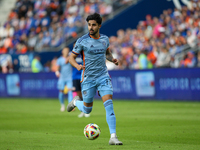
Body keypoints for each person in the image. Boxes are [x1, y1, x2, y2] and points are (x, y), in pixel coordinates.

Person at [67, 13, 123, 145]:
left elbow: (107, 53)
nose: (90, 27)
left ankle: (113, 137)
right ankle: (76, 102)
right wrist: (77, 66)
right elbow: (71, 58)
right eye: (89, 25)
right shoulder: (82, 41)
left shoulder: (105, 39)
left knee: (109, 105)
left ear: (99, 26)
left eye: (93, 25)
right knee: (87, 109)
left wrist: (112, 59)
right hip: (88, 78)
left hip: (103, 76)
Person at [72, 41, 90, 118]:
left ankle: (87, 110)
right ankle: (82, 111)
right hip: (75, 77)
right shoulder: (72, 55)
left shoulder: (84, 54)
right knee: (79, 94)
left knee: (85, 93)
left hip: (83, 76)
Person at [55, 47, 73, 112]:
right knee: (61, 93)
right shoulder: (59, 59)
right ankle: (62, 105)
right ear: (62, 51)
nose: (66, 52)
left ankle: (70, 106)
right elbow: (57, 67)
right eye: (65, 51)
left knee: (70, 92)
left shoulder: (71, 58)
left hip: (69, 78)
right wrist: (57, 72)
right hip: (62, 78)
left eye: (67, 51)